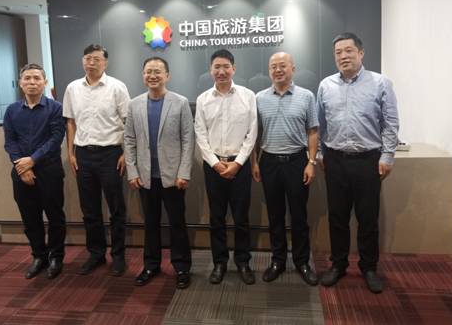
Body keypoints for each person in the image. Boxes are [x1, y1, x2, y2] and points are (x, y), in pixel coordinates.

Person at [317, 32, 399, 293]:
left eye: (348, 51)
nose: (343, 56)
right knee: (337, 217)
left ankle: (369, 267)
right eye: (338, 52)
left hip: (367, 161)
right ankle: (338, 264)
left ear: (361, 53)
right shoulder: (326, 85)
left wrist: (387, 156)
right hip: (335, 160)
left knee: (367, 218)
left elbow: (390, 123)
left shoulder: (380, 83)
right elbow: (320, 123)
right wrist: (320, 154)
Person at [124, 57, 194, 289]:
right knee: (150, 223)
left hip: (173, 177)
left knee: (177, 223)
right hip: (145, 176)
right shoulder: (134, 104)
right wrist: (132, 171)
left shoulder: (180, 102)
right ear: (143, 75)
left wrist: (184, 172)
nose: (152, 76)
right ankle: (151, 265)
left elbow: (188, 139)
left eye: (157, 72)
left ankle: (181, 267)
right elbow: (129, 139)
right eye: (148, 72)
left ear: (167, 75)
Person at [251, 52, 319, 286]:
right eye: (273, 66)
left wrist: (311, 162)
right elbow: (255, 134)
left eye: (282, 65)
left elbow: (313, 131)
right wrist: (255, 162)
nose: (278, 70)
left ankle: (302, 262)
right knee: (275, 215)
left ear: (293, 68)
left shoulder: (306, 96)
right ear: (269, 71)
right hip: (269, 162)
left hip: (297, 161)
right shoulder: (259, 98)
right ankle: (277, 261)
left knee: (299, 215)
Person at [63, 44, 130, 276]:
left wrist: (125, 153)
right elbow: (70, 122)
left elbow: (128, 121)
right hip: (83, 154)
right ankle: (96, 253)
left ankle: (118, 256)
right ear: (83, 61)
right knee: (89, 208)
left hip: (110, 154)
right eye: (87, 58)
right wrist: (70, 152)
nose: (91, 63)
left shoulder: (117, 87)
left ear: (105, 63)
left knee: (116, 208)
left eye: (96, 59)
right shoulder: (73, 88)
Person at [195, 49, 258, 285]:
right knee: (217, 218)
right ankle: (219, 263)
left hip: (240, 166)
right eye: (216, 67)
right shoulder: (203, 99)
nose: (221, 71)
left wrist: (238, 162)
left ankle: (243, 262)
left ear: (234, 69)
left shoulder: (248, 96)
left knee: (241, 217)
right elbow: (200, 135)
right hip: (213, 167)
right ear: (210, 70)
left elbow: (252, 133)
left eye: (225, 67)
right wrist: (215, 163)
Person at [3, 63, 66, 280]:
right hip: (21, 172)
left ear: (44, 82)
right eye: (27, 78)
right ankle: (39, 256)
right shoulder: (12, 110)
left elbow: (55, 139)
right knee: (30, 218)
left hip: (49, 170)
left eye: (37, 78)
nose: (32, 82)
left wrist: (32, 160)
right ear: (20, 83)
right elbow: (10, 141)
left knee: (55, 216)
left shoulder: (55, 108)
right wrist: (21, 166)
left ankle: (56, 257)